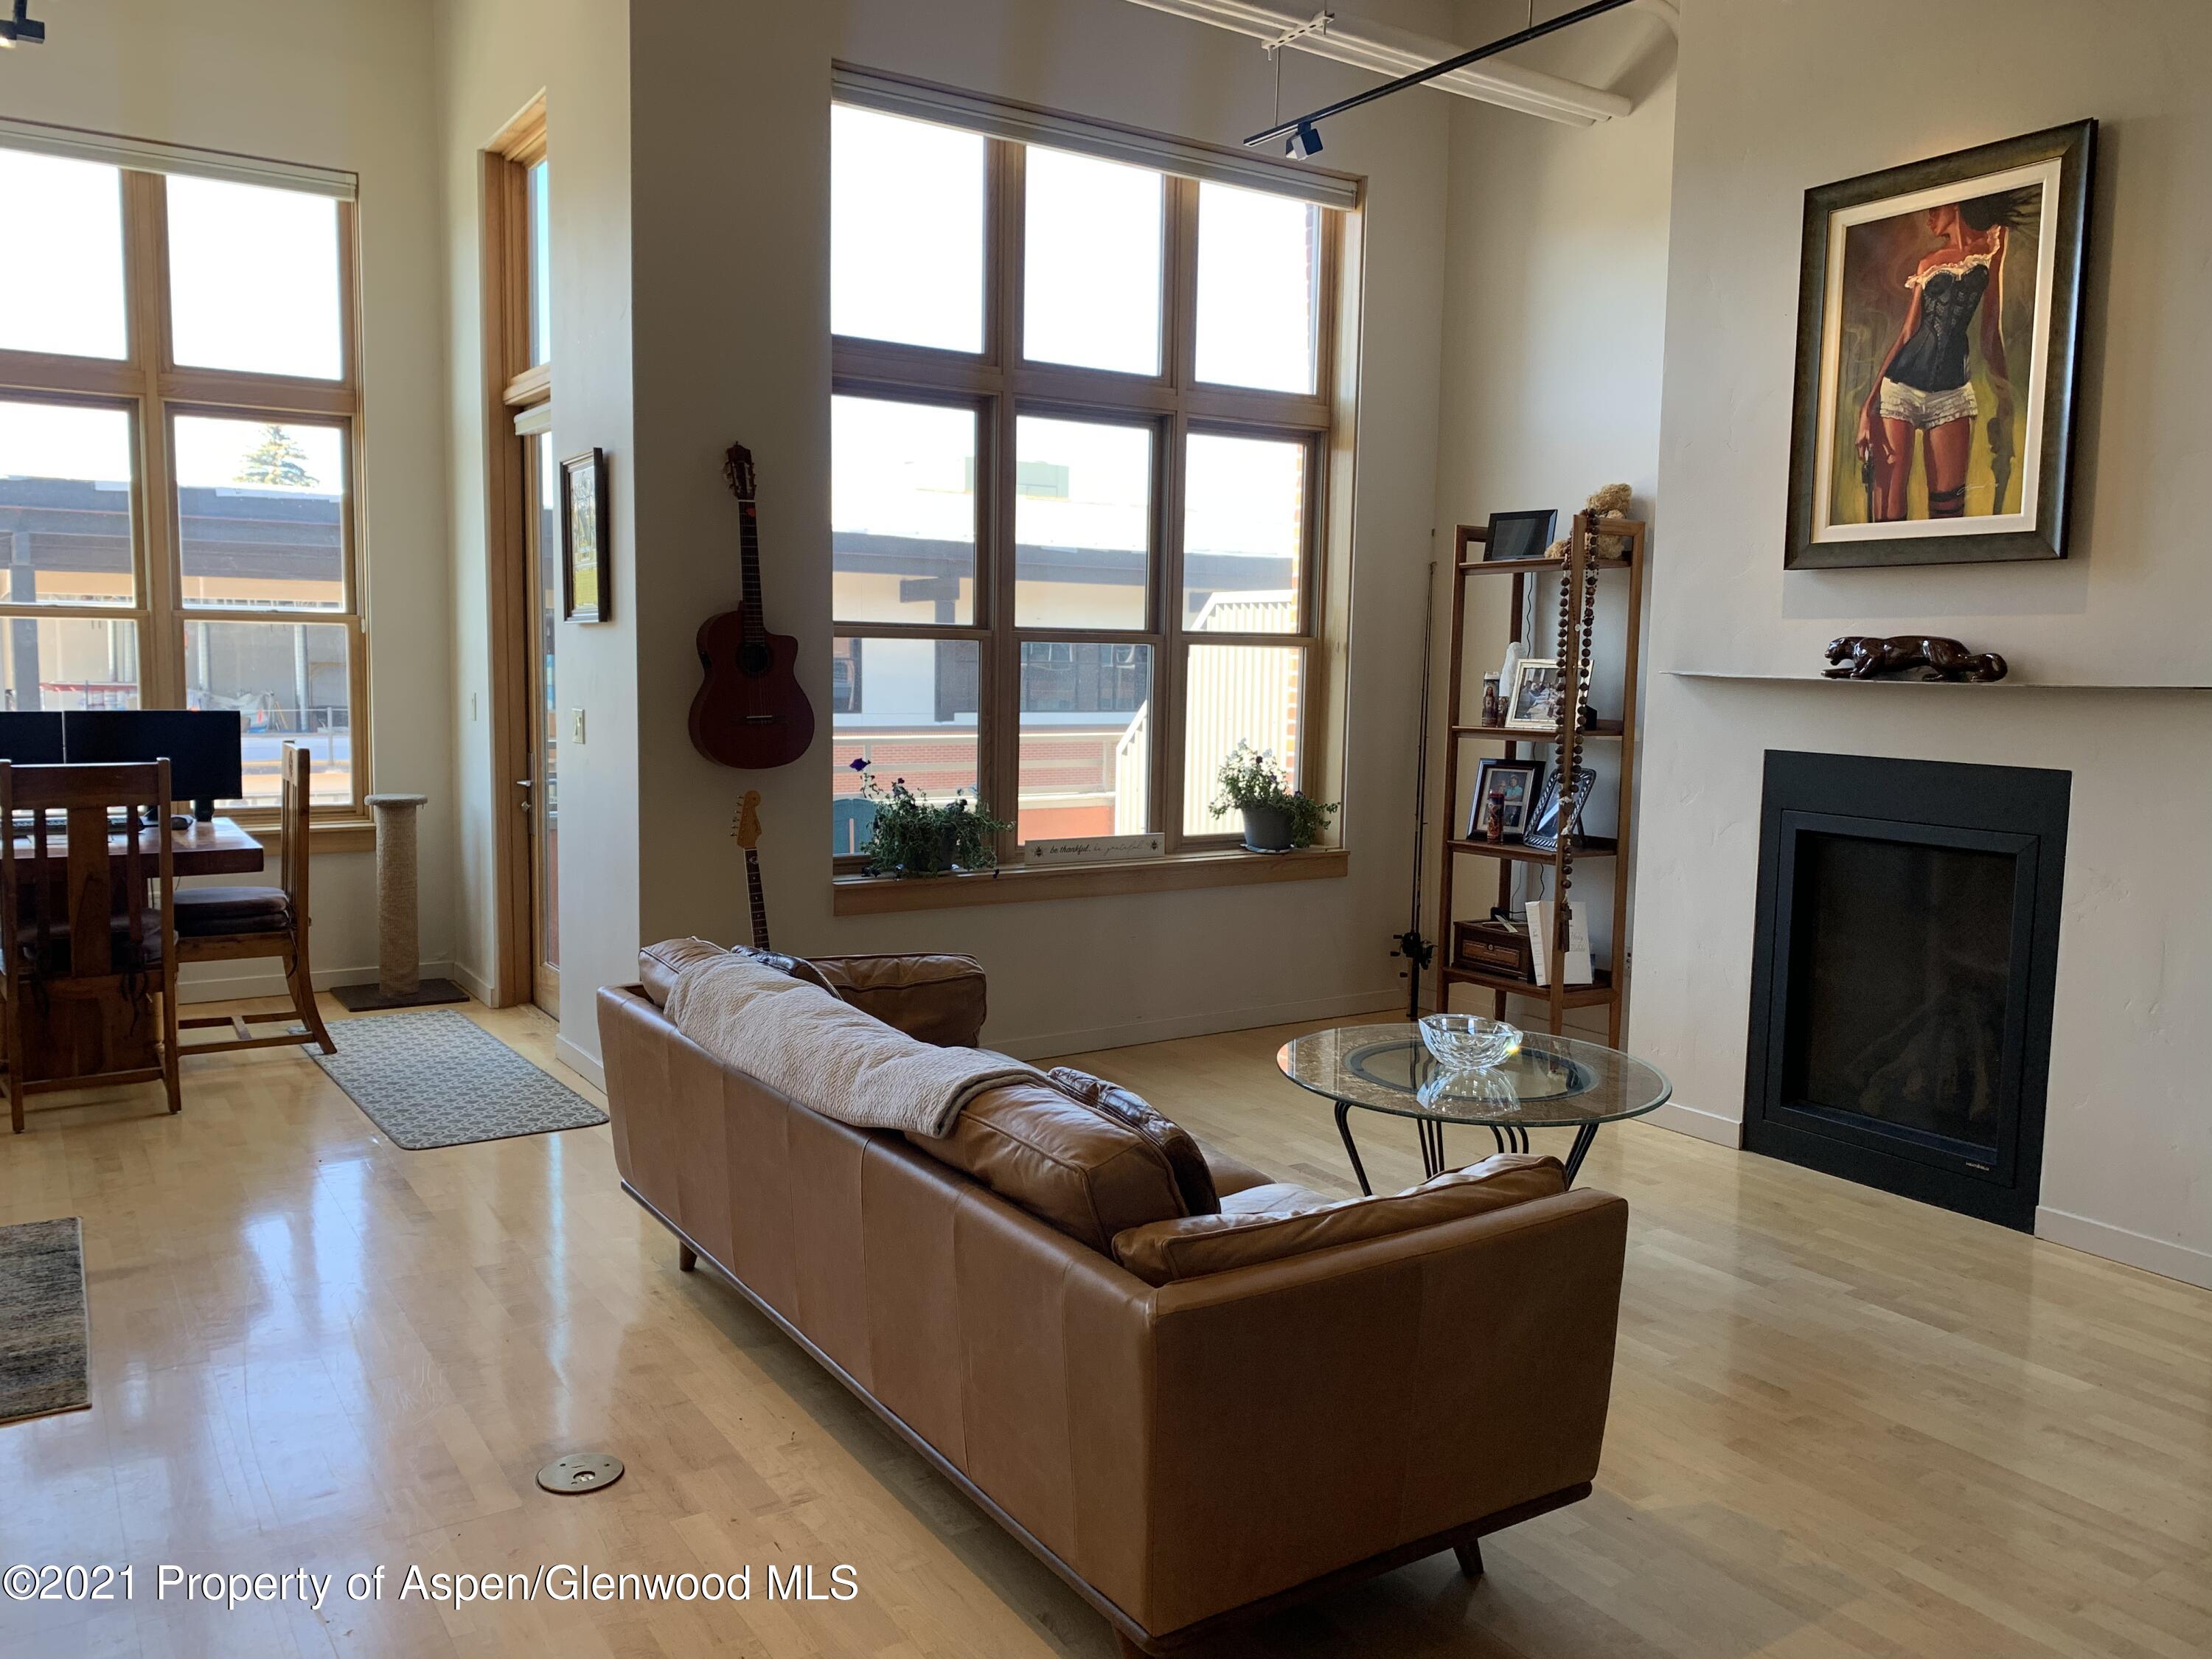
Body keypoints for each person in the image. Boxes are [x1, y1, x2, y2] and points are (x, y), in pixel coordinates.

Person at [1855, 189, 2030, 521]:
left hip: (1953, 394)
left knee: (1949, 513)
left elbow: (1991, 333)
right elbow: (1908, 333)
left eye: (1935, 207)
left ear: (1956, 202)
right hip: (1900, 389)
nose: (1929, 217)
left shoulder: (1993, 244)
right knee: (1889, 517)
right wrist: (1869, 405)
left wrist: (2005, 399)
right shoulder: (1927, 264)